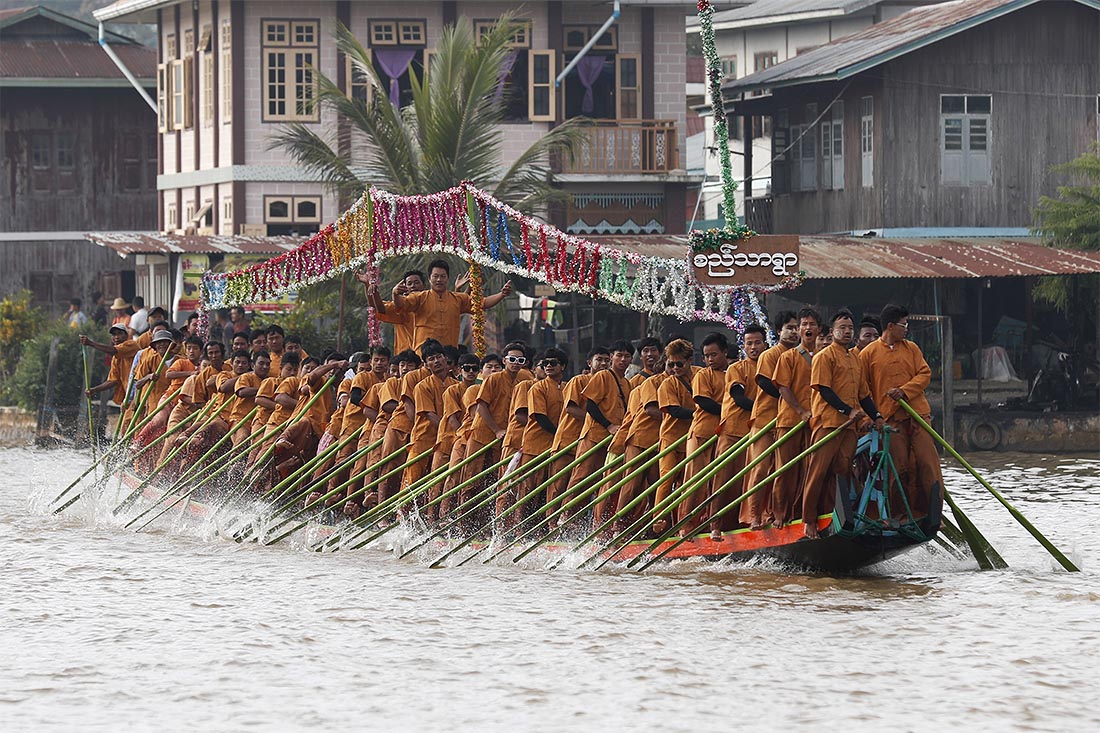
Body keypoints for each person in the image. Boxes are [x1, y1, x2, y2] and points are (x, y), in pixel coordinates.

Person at [802, 310, 883, 538]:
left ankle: (834, 517)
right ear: (832, 331)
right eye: (842, 328)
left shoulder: (855, 359)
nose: (847, 332)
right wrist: (847, 411)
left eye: (850, 328)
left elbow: (864, 395)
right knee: (818, 472)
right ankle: (809, 521)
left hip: (848, 428)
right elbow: (824, 390)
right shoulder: (824, 356)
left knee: (842, 472)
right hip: (828, 424)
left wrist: (876, 415)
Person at [859, 304, 942, 518]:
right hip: (890, 420)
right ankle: (900, 514)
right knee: (898, 468)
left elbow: (924, 375)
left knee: (927, 462)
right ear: (890, 326)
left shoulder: (912, 348)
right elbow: (862, 390)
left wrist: (904, 391)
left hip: (917, 414)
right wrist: (870, 417)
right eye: (903, 324)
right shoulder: (868, 354)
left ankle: (932, 513)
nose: (906, 329)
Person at [741, 311, 799, 528]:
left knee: (785, 470)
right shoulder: (770, 354)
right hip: (766, 418)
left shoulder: (801, 355)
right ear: (778, 331)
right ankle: (754, 516)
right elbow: (765, 383)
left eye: (797, 328)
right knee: (761, 469)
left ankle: (777, 514)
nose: (794, 332)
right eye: (789, 328)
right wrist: (791, 399)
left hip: (789, 420)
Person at [710, 324, 767, 535]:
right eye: (749, 343)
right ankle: (715, 525)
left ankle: (740, 523)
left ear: (765, 344)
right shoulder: (737, 368)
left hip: (757, 431)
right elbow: (739, 398)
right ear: (743, 346)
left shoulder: (770, 365)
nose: (753, 347)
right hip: (733, 430)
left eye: (757, 343)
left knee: (747, 479)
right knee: (723, 479)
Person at [769, 307, 822, 527]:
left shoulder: (823, 356)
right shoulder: (788, 356)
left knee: (809, 470)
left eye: (812, 324)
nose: (808, 328)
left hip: (817, 422)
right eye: (804, 324)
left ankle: (801, 514)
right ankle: (779, 514)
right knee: (785, 470)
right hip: (791, 420)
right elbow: (783, 387)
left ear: (819, 329)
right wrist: (801, 411)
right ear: (799, 329)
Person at [461, 341, 529, 506]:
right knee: (471, 481)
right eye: (512, 359)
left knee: (493, 481)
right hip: (482, 434)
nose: (515, 364)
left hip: (503, 440)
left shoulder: (524, 381)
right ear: (504, 361)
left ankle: (487, 525)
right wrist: (497, 430)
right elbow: (481, 406)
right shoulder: (494, 379)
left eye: (520, 361)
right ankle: (461, 525)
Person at [574, 340, 633, 529]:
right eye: (619, 355)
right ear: (612, 358)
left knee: (605, 482)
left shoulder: (627, 383)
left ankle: (599, 525)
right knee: (582, 477)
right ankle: (565, 518)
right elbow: (591, 404)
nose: (623, 359)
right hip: (595, 435)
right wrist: (608, 426)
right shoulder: (603, 376)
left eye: (627, 356)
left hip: (612, 441)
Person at [392, 259, 512, 348]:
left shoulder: (458, 298)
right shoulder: (419, 297)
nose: (439, 279)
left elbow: (482, 303)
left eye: (442, 276)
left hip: (449, 355)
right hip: (424, 354)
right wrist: (395, 294)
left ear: (447, 278)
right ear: (430, 279)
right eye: (436, 276)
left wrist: (502, 294)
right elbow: (401, 304)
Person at [677, 332, 729, 536]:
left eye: (713, 355)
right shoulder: (703, 375)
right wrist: (730, 409)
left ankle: (714, 524)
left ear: (725, 353)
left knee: (719, 480)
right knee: (695, 481)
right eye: (706, 356)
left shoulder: (731, 373)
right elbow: (704, 403)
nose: (709, 360)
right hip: (702, 433)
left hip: (725, 434)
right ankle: (686, 526)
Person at [403, 341, 456, 493]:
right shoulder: (422, 386)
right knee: (411, 484)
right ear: (426, 364)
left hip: (447, 441)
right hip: (424, 439)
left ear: (445, 358)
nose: (436, 361)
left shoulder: (455, 384)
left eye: (439, 357)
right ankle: (401, 515)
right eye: (431, 359)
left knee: (438, 482)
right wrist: (449, 430)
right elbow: (429, 414)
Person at [653, 339, 695, 534]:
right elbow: (674, 410)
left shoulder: (701, 376)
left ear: (690, 361)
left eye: (680, 364)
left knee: (688, 481)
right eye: (671, 364)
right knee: (667, 479)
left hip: (692, 438)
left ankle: (685, 523)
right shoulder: (667, 384)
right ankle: (658, 522)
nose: (675, 368)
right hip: (671, 438)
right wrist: (700, 413)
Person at [360, 269, 426, 355]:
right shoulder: (401, 307)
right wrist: (368, 285)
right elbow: (378, 308)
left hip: (429, 355)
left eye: (416, 282)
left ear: (424, 286)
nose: (413, 286)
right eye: (409, 284)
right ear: (404, 287)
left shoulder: (431, 302)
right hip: (406, 358)